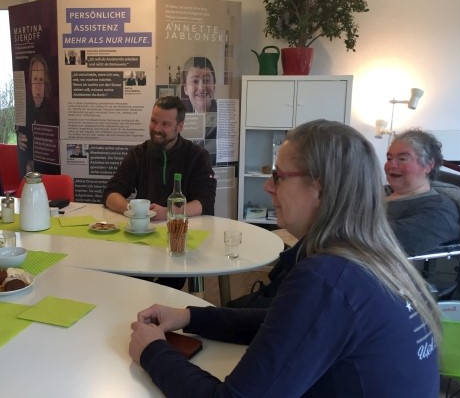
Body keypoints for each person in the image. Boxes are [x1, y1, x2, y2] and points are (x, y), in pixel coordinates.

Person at [129, 119, 441, 397]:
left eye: (278, 176)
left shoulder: (327, 277)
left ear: (318, 188)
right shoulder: (375, 259)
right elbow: (284, 324)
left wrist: (152, 350)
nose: (267, 186)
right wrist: (190, 317)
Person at [103, 96, 216, 221]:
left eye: (165, 124)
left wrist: (168, 212)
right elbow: (110, 193)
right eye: (153, 121)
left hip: (184, 228)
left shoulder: (197, 156)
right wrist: (132, 209)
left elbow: (205, 202)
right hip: (145, 227)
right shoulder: (138, 153)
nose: (156, 128)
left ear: (180, 126)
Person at [384, 129, 460, 256]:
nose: (391, 165)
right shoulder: (378, 191)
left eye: (402, 158)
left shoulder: (440, 210)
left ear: (428, 165)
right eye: (389, 158)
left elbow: (383, 241)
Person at [16, 54, 59, 176]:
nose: (38, 85)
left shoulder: (53, 113)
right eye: (35, 79)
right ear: (30, 82)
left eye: (41, 80)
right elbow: (21, 150)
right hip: (27, 176)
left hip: (48, 176)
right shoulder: (23, 110)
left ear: (46, 83)